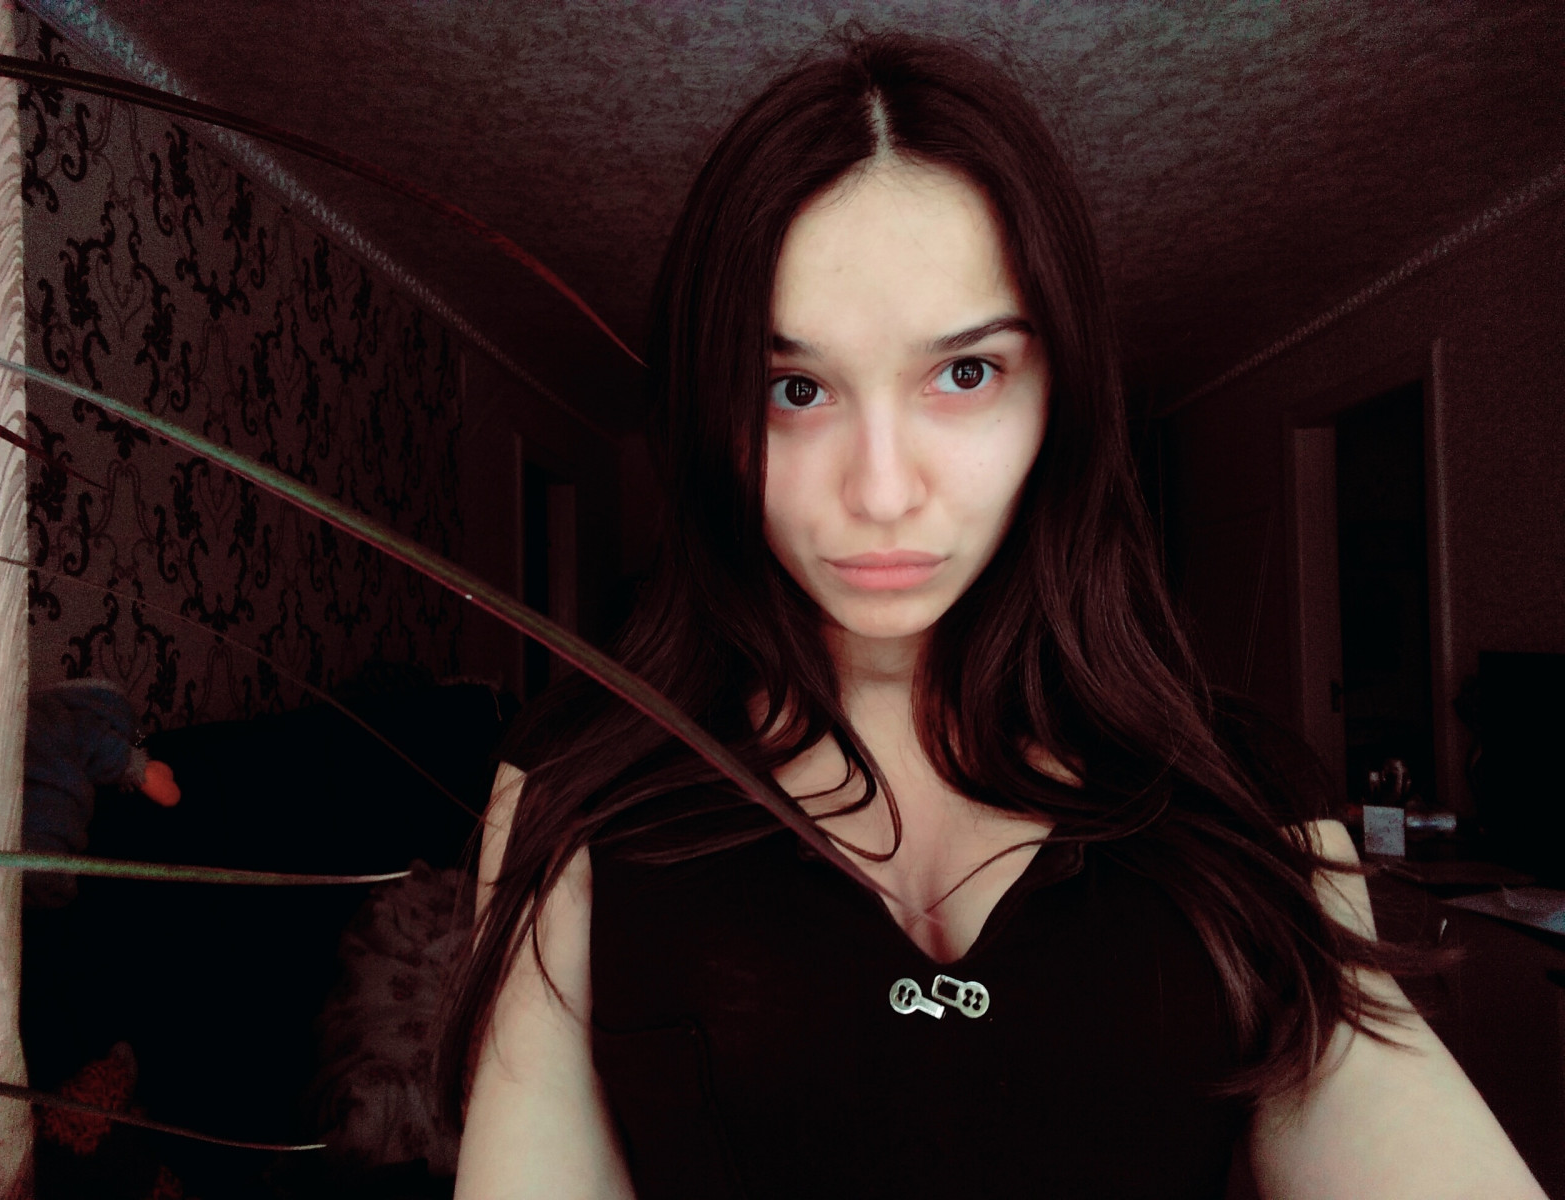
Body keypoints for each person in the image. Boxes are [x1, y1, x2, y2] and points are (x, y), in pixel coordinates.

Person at [439, 26, 1546, 1199]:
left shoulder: (1250, 804)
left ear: (1059, 394)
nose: (880, 491)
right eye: (793, 389)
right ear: (708, 419)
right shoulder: (577, 784)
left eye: (964, 374)